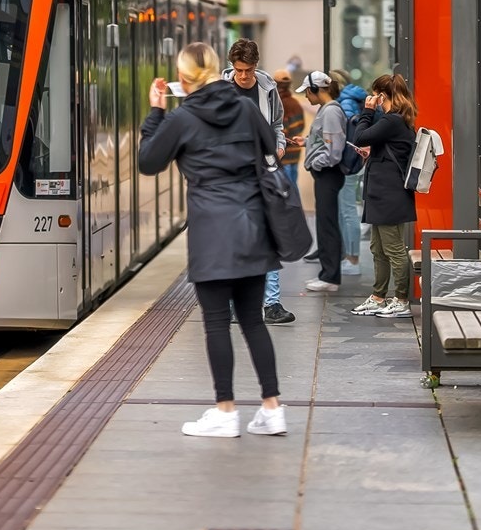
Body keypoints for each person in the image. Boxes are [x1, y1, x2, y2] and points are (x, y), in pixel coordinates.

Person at [139, 42, 287, 438]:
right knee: (254, 321)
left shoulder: (183, 117)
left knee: (217, 323)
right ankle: (272, 410)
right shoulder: (246, 108)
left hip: (212, 232)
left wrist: (155, 112)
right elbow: (270, 148)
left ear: (183, 79)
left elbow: (148, 162)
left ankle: (225, 411)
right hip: (254, 224)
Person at [221, 39, 297, 325]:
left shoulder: (267, 88)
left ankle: (271, 304)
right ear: (232, 67)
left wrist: (278, 145)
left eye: (248, 70)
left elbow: (277, 124)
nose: (243, 76)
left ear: (255, 65)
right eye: (239, 70)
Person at [347, 74, 418, 319]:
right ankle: (378, 297)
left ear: (381, 95)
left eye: (374, 94)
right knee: (378, 248)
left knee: (394, 249)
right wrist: (374, 154)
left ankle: (401, 300)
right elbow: (384, 147)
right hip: (383, 192)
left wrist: (367, 111)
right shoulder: (395, 121)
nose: (372, 98)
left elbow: (360, 136)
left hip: (390, 194)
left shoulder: (392, 120)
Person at [297, 70, 348, 293]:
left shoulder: (330, 112)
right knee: (324, 222)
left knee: (327, 224)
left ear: (317, 90)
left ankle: (330, 276)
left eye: (308, 92)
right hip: (326, 173)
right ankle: (327, 274)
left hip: (328, 173)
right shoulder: (327, 110)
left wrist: (315, 163)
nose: (307, 97)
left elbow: (334, 151)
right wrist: (307, 142)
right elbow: (323, 140)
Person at [331, 69, 370, 276]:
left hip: (347, 163)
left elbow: (344, 136)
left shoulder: (344, 103)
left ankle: (353, 259)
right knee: (346, 210)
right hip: (352, 162)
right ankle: (349, 256)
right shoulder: (350, 98)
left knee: (347, 211)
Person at [273, 71, 306, 187]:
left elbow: (281, 130)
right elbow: (302, 125)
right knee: (293, 185)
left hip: (284, 154)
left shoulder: (278, 103)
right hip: (295, 152)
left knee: (287, 189)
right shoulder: (295, 103)